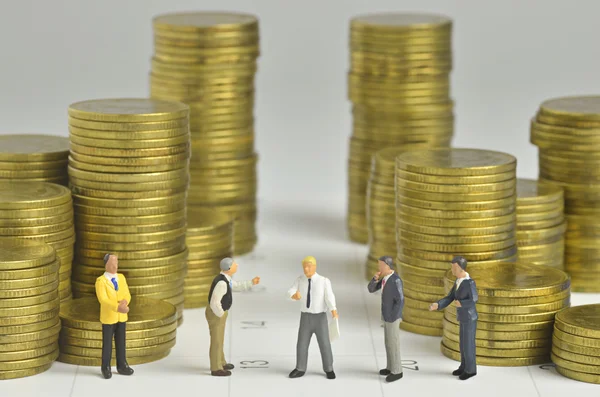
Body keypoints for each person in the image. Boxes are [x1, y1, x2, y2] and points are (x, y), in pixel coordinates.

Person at [206, 257, 260, 376]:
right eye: (235, 265)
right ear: (229, 268)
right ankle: (216, 368)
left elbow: (236, 286)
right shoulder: (221, 283)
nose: (237, 266)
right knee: (216, 341)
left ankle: (221, 362)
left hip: (219, 312)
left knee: (220, 339)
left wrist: (251, 282)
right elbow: (214, 302)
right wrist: (221, 314)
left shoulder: (226, 279)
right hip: (216, 313)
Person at [287, 256, 338, 380]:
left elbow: (329, 296)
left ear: (315, 267)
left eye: (309, 266)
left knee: (324, 343)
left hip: (320, 317)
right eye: (304, 266)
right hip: (305, 317)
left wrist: (333, 309)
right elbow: (290, 290)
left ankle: (329, 368)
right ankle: (300, 367)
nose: (306, 269)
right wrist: (293, 295)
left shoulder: (324, 281)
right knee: (301, 344)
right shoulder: (300, 280)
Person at [429, 256, 478, 380]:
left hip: (469, 317)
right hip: (462, 316)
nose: (452, 269)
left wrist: (462, 303)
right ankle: (463, 366)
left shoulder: (469, 282)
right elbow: (450, 297)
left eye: (453, 267)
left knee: (468, 344)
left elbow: (474, 299)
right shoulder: (458, 281)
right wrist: (438, 304)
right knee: (462, 344)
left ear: (460, 268)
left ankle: (471, 370)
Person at [95, 253, 134, 379]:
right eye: (112, 263)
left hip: (121, 317)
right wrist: (117, 307)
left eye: (116, 263)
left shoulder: (121, 278)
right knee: (107, 344)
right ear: (106, 264)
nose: (115, 266)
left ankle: (122, 364)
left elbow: (127, 293)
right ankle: (105, 366)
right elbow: (103, 300)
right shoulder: (101, 281)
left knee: (121, 342)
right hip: (109, 317)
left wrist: (125, 302)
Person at [367, 255, 404, 382]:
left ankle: (397, 370)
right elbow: (371, 289)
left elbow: (400, 300)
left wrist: (393, 316)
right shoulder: (384, 279)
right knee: (388, 343)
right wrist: (375, 279)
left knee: (394, 343)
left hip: (392, 317)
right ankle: (390, 367)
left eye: (380, 265)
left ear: (387, 265)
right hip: (386, 315)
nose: (379, 267)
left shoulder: (395, 280)